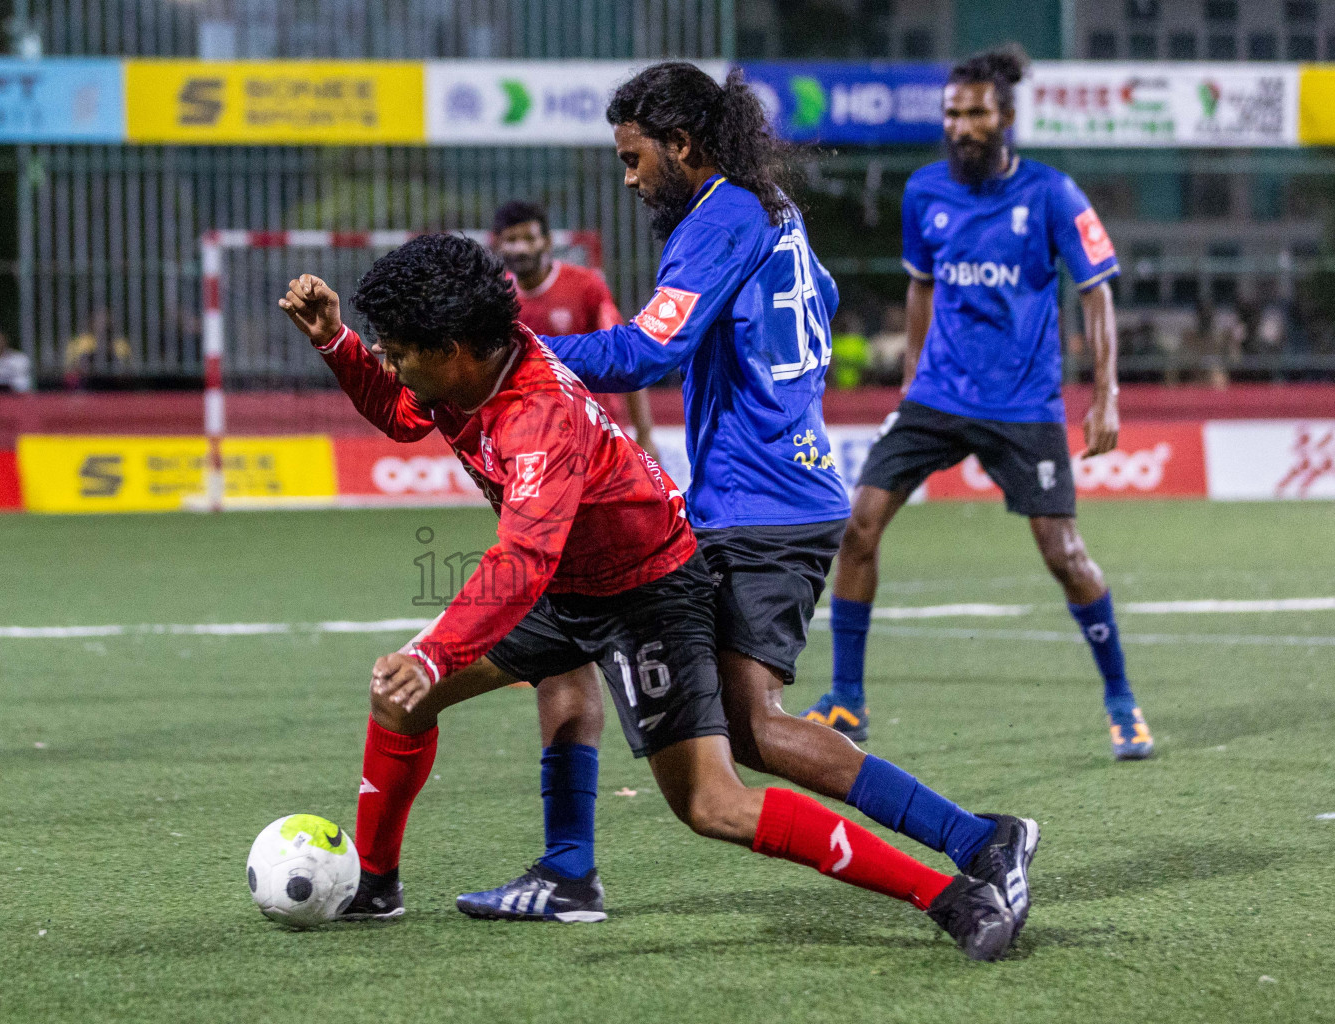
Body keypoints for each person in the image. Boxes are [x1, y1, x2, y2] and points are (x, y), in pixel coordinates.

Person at [279, 234, 1020, 961]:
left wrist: (438, 652)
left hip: (647, 597)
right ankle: (381, 887)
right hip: (569, 581)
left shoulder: (537, 418)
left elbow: (525, 556)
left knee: (712, 804)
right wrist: (337, 343)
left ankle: (949, 896)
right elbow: (407, 415)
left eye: (398, 349)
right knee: (400, 698)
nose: (391, 362)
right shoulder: (471, 372)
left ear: (452, 347)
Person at [457, 62, 1038, 942]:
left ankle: (977, 840)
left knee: (747, 724)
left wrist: (511, 353)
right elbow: (825, 300)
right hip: (765, 493)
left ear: (681, 145)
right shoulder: (770, 211)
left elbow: (652, 350)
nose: (629, 176)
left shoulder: (719, 214)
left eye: (634, 156)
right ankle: (568, 865)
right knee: (664, 678)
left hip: (761, 506)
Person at [802, 46, 1155, 762]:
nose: (961, 126)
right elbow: (921, 287)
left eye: (975, 113)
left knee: (1064, 552)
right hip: (936, 395)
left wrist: (1104, 395)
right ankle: (846, 700)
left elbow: (1097, 293)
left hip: (1024, 404)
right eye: (952, 114)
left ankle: (1123, 701)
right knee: (859, 527)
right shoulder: (926, 191)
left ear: (1006, 117)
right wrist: (908, 385)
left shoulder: (1053, 194)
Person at [491, 200, 661, 461]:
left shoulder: (586, 286)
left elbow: (624, 353)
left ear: (547, 242)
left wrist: (645, 434)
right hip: (534, 438)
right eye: (511, 240)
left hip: (595, 431)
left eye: (529, 238)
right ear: (498, 245)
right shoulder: (496, 299)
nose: (521, 248)